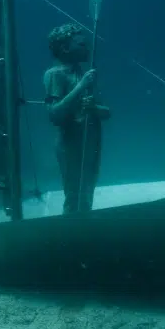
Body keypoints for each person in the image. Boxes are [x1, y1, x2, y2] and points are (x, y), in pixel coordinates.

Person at [43, 23, 111, 214]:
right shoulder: (55, 75)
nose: (87, 48)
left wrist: (93, 107)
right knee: (74, 195)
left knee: (87, 193)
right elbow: (54, 114)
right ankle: (70, 233)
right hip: (70, 143)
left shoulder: (85, 75)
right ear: (65, 48)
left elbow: (106, 112)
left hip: (91, 141)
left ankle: (82, 230)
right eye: (81, 45)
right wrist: (81, 86)